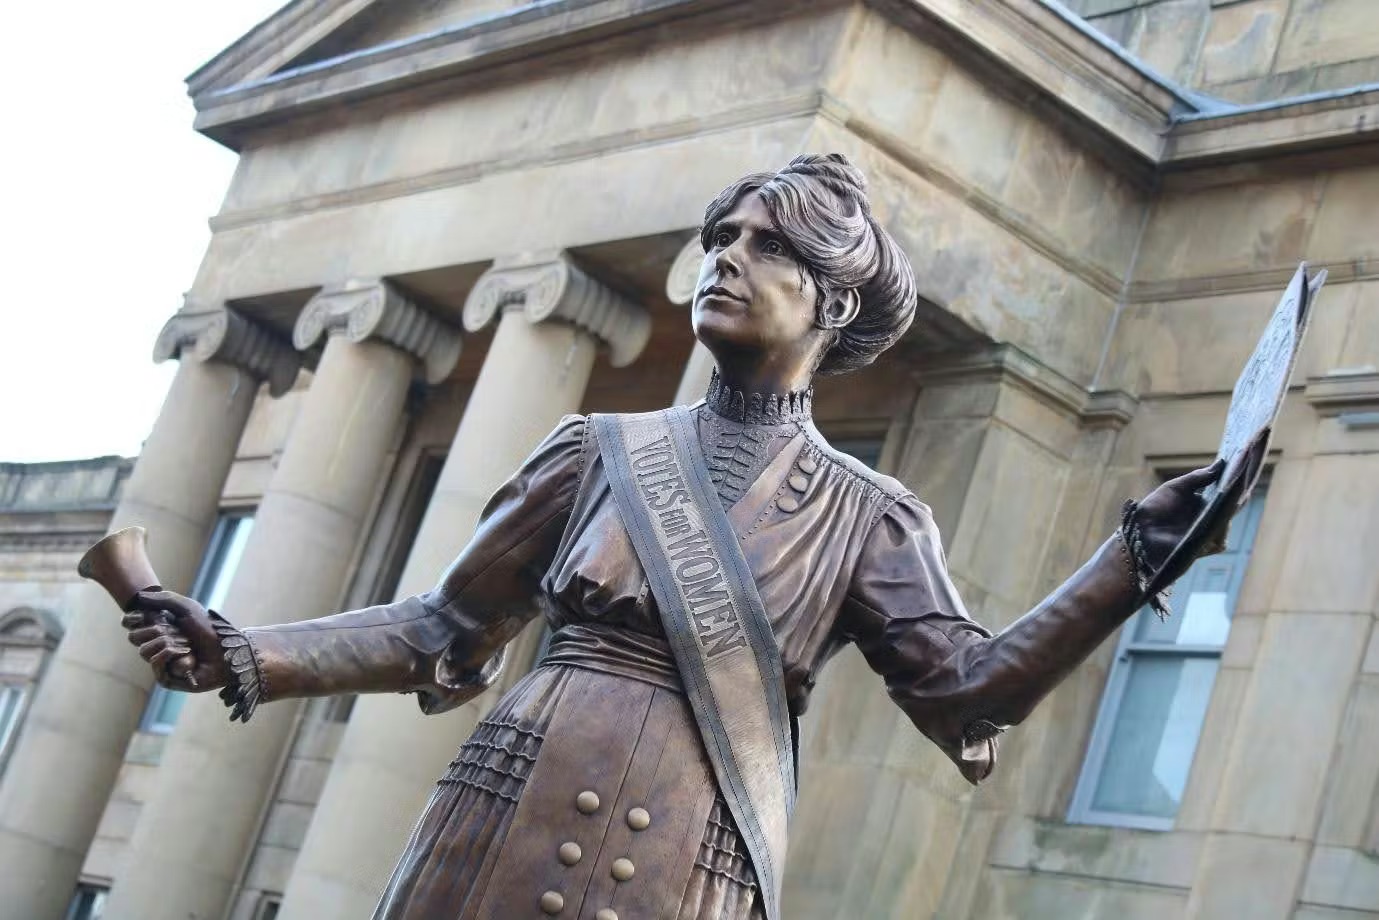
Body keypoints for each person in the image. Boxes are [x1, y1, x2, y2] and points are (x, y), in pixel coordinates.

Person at [124, 154, 1222, 920]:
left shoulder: (870, 515)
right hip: (507, 800)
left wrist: (1131, 559)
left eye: (767, 245)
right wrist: (244, 649)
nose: (726, 258)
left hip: (696, 839)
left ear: (834, 303)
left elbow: (965, 691)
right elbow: (440, 627)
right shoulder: (592, 451)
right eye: (720, 238)